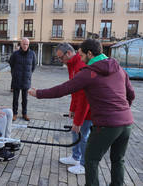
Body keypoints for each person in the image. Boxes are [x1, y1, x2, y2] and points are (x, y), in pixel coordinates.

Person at [28, 39, 135, 186]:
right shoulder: (119, 68)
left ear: (90, 54)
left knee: (91, 159)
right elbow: (131, 94)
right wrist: (122, 112)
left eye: (82, 55)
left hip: (107, 125)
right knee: (118, 159)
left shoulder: (89, 72)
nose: (81, 58)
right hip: (127, 123)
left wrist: (39, 93)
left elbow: (64, 89)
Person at [55, 43, 92, 175]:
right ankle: (75, 157)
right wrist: (72, 108)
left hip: (88, 109)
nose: (60, 61)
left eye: (61, 58)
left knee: (82, 134)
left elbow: (83, 97)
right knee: (75, 132)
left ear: (69, 53)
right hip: (80, 107)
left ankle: (84, 164)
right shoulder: (72, 66)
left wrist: (78, 120)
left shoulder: (80, 66)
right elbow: (74, 91)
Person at [9, 38, 36, 121]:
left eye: (27, 44)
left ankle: (24, 113)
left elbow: (33, 66)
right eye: (24, 44)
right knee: (15, 99)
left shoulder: (32, 54)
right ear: (21, 44)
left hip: (26, 80)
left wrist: (28, 74)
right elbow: (11, 63)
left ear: (29, 45)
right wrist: (15, 73)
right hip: (17, 79)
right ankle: (14, 114)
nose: (25, 46)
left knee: (25, 99)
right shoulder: (15, 54)